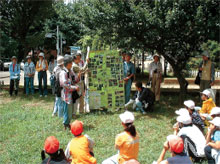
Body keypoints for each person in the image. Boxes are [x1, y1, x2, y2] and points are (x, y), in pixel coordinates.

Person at [59, 56, 79, 129]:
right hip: (66, 96)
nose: (72, 64)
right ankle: (65, 124)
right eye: (71, 62)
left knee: (70, 111)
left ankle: (67, 123)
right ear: (68, 64)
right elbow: (64, 84)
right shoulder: (63, 73)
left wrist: (79, 74)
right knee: (67, 111)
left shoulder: (70, 71)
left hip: (71, 95)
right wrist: (74, 87)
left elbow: (75, 79)